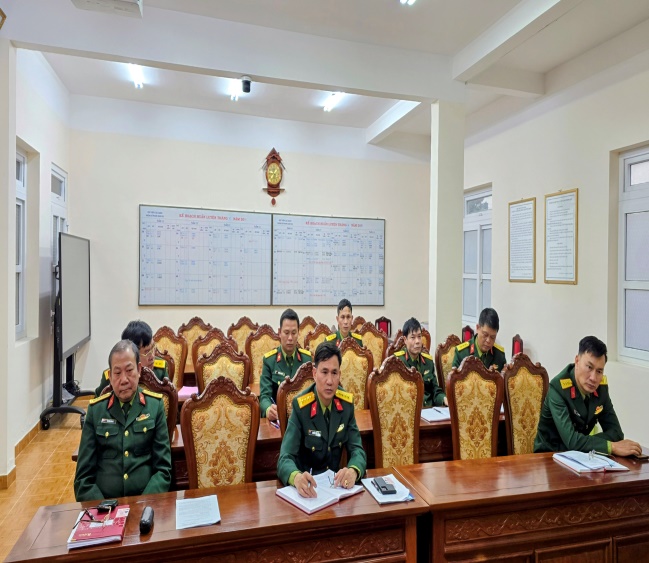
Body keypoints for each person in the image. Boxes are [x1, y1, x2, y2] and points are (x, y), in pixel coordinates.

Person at [75, 340, 172, 501]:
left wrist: (143, 504)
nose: (124, 379)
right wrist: (104, 509)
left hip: (146, 504)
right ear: (110, 377)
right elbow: (83, 479)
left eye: (129, 370)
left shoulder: (155, 406)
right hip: (105, 507)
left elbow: (163, 470)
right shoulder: (96, 411)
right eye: (117, 373)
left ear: (139, 370)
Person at [277, 342, 367, 498]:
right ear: (314, 373)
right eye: (324, 372)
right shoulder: (301, 407)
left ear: (340, 375)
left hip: (336, 491)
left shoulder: (346, 404)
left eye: (334, 373)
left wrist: (353, 470)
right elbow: (284, 458)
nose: (330, 381)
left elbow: (358, 450)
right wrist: (296, 477)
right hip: (309, 493)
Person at [534, 336, 642, 456]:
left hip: (581, 455)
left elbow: (616, 433)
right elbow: (572, 441)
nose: (593, 378)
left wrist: (585, 443)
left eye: (599, 371)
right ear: (577, 361)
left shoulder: (601, 389)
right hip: (548, 456)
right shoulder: (558, 389)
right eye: (589, 367)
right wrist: (610, 446)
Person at [260, 308, 311, 421]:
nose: (290, 338)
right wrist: (268, 409)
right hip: (279, 419)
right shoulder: (269, 361)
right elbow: (264, 397)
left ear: (299, 333)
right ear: (279, 332)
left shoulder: (307, 359)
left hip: (302, 419)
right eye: (286, 333)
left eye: (294, 333)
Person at [94, 320, 168, 397]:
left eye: (153, 348)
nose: (152, 357)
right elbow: (98, 401)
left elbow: (167, 398)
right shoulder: (112, 376)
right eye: (147, 352)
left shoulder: (160, 369)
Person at [395, 317, 447, 407]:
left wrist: (444, 399)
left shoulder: (428, 362)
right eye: (413, 337)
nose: (417, 341)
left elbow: (435, 390)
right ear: (405, 340)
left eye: (419, 336)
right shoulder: (397, 362)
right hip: (409, 410)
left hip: (429, 410)